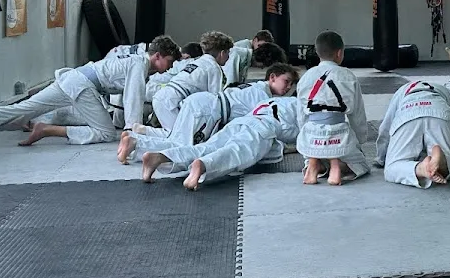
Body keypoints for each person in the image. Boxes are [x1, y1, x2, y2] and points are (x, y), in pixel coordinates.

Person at [0, 36, 181, 148]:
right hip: (83, 86)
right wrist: (132, 131)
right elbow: (133, 98)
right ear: (158, 56)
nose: (168, 69)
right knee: (106, 133)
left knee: (19, 110)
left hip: (74, 79)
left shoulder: (135, 60)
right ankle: (47, 130)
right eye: (168, 63)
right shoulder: (140, 63)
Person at [119, 63, 298, 163]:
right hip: (209, 111)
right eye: (286, 81)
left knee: (176, 139)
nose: (288, 87)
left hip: (201, 103)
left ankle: (136, 139)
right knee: (185, 146)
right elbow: (256, 127)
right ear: (272, 77)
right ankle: (137, 143)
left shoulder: (256, 87)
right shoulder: (262, 96)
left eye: (291, 85)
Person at [141, 95, 301, 189]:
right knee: (235, 152)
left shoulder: (273, 100)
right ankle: (203, 165)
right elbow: (300, 135)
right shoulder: (300, 106)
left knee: (206, 147)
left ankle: (161, 156)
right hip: (263, 128)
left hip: (240, 122)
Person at [297, 30, 369, 186]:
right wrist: (360, 139)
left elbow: (301, 115)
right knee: (361, 164)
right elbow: (357, 115)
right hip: (339, 135)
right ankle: (336, 166)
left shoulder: (306, 77)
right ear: (340, 53)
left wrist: (304, 133)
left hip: (311, 137)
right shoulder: (348, 76)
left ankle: (314, 164)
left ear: (317, 53)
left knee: (313, 148)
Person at [375, 80, 450, 189]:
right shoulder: (445, 91)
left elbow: (386, 128)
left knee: (392, 168)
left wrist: (381, 158)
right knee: (449, 162)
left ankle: (420, 168)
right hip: (439, 109)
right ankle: (444, 161)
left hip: (409, 110)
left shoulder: (401, 91)